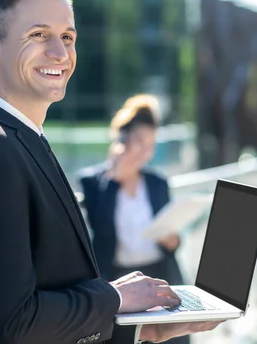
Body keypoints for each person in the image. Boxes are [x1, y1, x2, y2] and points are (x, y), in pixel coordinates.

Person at [0, 0, 222, 344]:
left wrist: (142, 329)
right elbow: (13, 326)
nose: (60, 53)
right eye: (38, 35)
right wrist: (115, 298)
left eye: (68, 37)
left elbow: (49, 310)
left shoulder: (22, 141)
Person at [79, 95, 189, 344]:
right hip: (119, 279)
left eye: (150, 145)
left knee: (173, 339)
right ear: (121, 138)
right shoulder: (94, 183)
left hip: (160, 274)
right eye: (139, 141)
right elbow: (101, 229)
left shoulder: (156, 183)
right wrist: (115, 178)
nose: (144, 151)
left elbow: (168, 229)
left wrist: (171, 241)